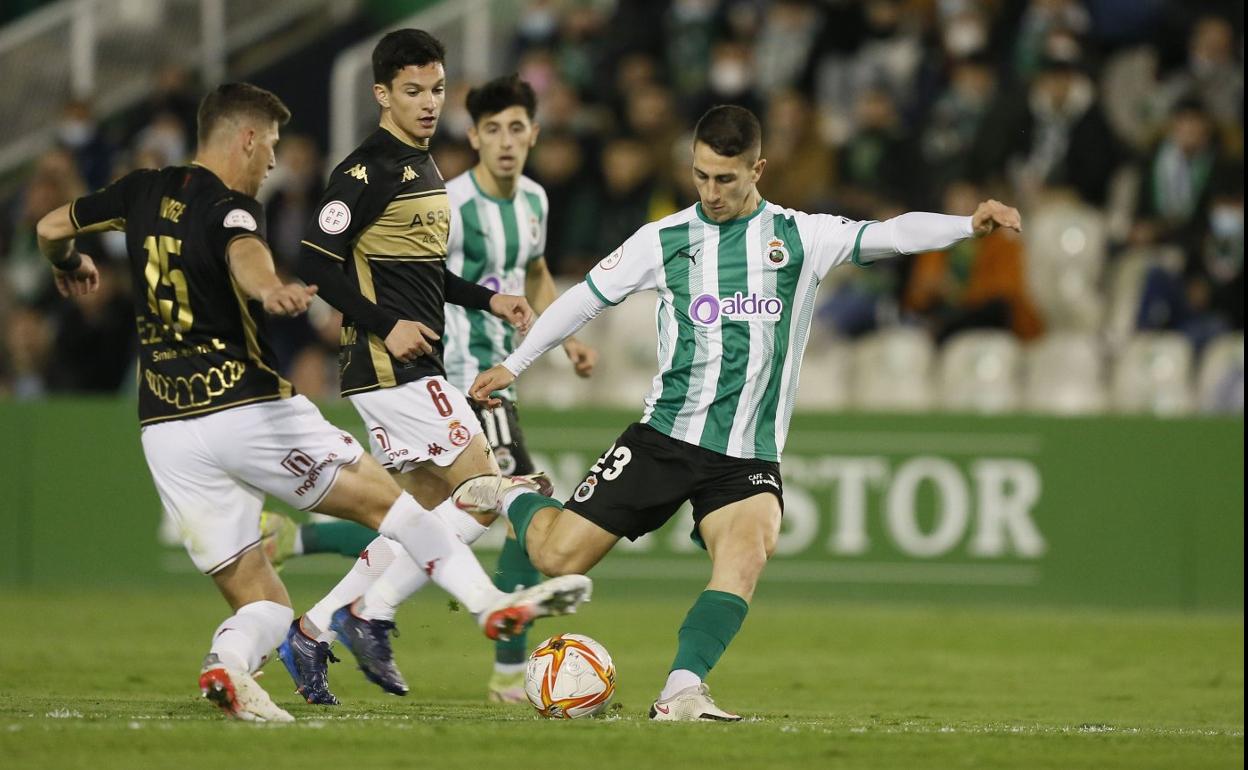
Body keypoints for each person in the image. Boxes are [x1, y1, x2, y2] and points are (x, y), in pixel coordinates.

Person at [34, 82, 590, 722]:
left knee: (261, 602)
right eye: (269, 146)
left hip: (164, 428)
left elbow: (51, 225)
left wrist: (68, 260)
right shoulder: (233, 209)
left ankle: (229, 665)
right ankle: (489, 604)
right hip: (244, 407)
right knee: (398, 507)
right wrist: (271, 289)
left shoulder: (136, 190)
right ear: (246, 137)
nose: (270, 162)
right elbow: (247, 254)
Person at [460, 104, 1022, 721]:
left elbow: (889, 234)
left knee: (749, 550)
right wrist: (515, 365)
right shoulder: (665, 239)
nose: (710, 191)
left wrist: (968, 225)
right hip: (665, 436)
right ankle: (514, 492)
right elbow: (584, 298)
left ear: (758, 168)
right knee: (556, 557)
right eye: (700, 176)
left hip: (747, 453)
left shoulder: (801, 237)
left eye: (725, 179)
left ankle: (682, 689)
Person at [263, 73, 599, 703]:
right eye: (414, 90)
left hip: (421, 367)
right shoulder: (369, 173)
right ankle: (464, 614)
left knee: (417, 521)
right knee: (487, 491)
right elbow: (315, 262)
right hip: (409, 368)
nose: (429, 102)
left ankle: (312, 629)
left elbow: (434, 276)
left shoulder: (445, 179)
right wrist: (387, 325)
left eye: (436, 89)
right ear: (383, 93)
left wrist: (493, 301)